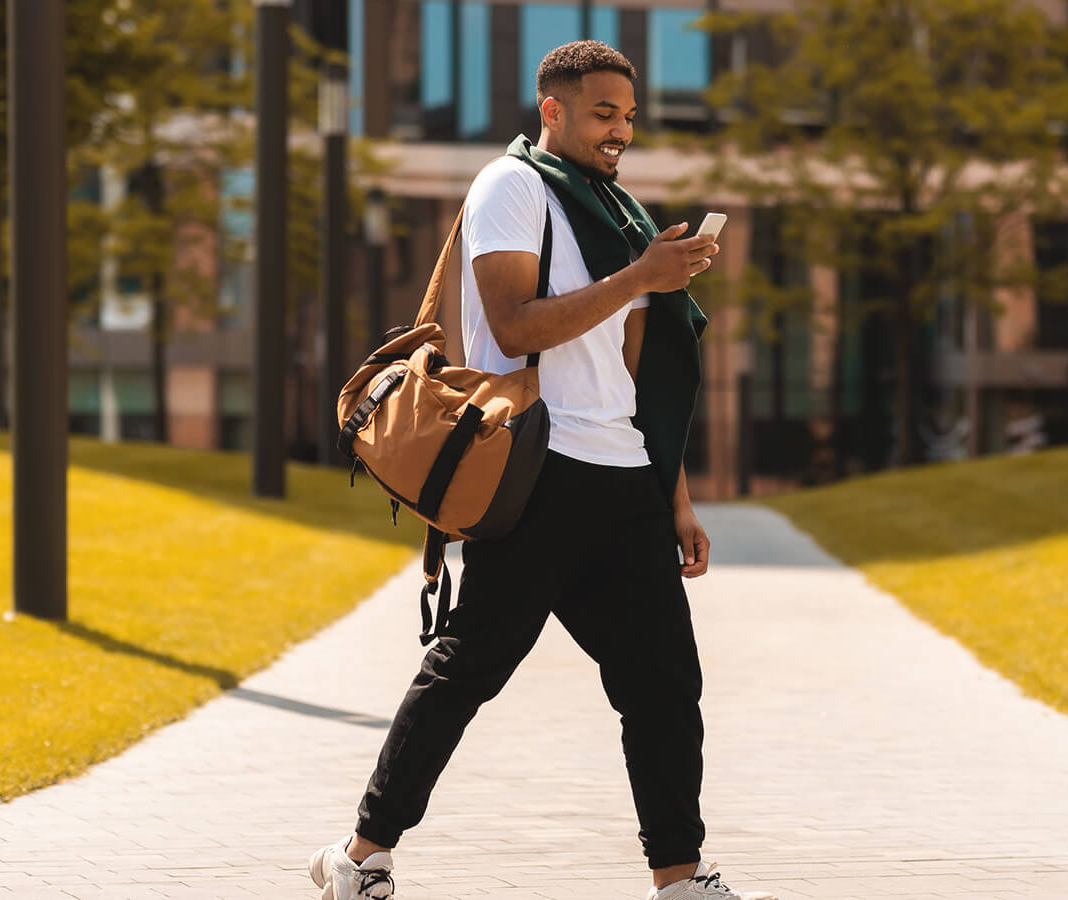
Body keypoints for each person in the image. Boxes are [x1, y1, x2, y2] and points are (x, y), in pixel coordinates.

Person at [309, 41, 776, 900]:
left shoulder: (620, 211)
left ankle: (678, 877)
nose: (620, 132)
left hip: (623, 479)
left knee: (665, 685)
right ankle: (359, 854)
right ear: (552, 109)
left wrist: (675, 499)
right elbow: (516, 324)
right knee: (469, 669)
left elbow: (635, 376)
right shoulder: (511, 188)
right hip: (535, 475)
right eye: (603, 113)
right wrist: (640, 274)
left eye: (629, 117)